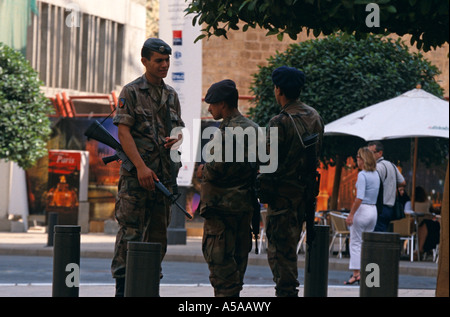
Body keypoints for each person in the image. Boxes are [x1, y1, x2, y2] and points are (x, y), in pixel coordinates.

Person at [111, 38, 185, 297]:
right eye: (159, 61)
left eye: (167, 60)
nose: (164, 65)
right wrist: (141, 168)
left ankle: (150, 288)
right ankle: (123, 289)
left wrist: (176, 139)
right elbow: (123, 132)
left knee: (157, 239)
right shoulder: (131, 92)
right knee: (130, 234)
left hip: (162, 180)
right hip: (136, 179)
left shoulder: (171, 95)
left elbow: (178, 131)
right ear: (145, 61)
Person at [257, 66, 324, 297]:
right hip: (303, 197)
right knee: (291, 250)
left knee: (281, 256)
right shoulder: (314, 116)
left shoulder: (280, 121)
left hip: (282, 199)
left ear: (279, 90)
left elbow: (268, 163)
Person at [197, 79, 260, 297]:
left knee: (223, 277)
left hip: (221, 213)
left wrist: (202, 170)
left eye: (211, 104)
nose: (209, 108)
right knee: (236, 274)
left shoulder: (226, 134)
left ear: (223, 104)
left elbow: (214, 170)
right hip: (244, 211)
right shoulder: (253, 129)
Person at [344, 147, 380, 285]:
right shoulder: (376, 175)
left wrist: (351, 214)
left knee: (355, 242)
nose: (356, 159)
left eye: (358, 157)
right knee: (366, 243)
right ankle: (366, 272)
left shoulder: (362, 175)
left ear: (363, 159)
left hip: (363, 209)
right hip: (373, 210)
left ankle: (356, 274)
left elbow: (359, 197)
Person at [367, 141, 406, 232]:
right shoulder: (392, 165)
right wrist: (390, 185)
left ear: (380, 153)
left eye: (371, 152)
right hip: (390, 208)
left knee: (376, 236)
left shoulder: (377, 167)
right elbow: (403, 182)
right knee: (382, 233)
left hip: (378, 207)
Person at [410, 186, 441, 259]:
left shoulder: (412, 203)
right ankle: (422, 250)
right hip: (428, 225)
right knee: (428, 225)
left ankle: (419, 250)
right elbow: (433, 211)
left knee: (422, 225)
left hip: (414, 224)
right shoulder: (428, 202)